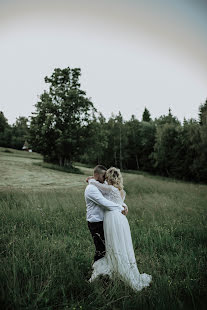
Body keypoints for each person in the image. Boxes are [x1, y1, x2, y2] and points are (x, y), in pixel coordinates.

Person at [86, 167, 152, 292]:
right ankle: (118, 267)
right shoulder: (121, 191)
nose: (105, 179)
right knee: (120, 243)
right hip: (121, 220)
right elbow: (118, 200)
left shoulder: (109, 188)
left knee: (113, 244)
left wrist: (91, 180)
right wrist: (122, 205)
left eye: (106, 177)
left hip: (112, 218)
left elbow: (105, 198)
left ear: (109, 178)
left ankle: (115, 270)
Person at [85, 165, 128, 263]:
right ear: (96, 175)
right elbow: (104, 202)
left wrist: (124, 205)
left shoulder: (102, 184)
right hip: (95, 222)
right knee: (101, 249)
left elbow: (112, 196)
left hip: (105, 221)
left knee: (109, 248)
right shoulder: (91, 189)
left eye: (106, 176)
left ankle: (108, 271)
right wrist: (120, 207)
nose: (105, 179)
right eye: (103, 176)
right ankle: (96, 272)